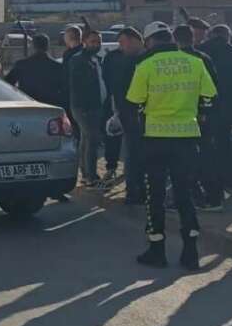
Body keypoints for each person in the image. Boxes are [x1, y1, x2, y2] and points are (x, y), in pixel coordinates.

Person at [127, 21, 216, 269]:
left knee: (154, 195)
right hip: (187, 137)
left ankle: (157, 250)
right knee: (184, 194)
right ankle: (190, 252)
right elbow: (209, 96)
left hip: (154, 138)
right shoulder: (195, 62)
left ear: (149, 41)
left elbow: (134, 101)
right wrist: (198, 113)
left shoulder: (145, 65)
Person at [198, 24, 232, 205]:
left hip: (207, 110)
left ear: (211, 35)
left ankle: (210, 181)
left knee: (206, 146)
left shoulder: (201, 52)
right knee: (231, 143)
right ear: (227, 36)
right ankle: (231, 177)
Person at [175, 25, 221, 210]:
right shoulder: (204, 58)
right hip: (204, 116)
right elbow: (212, 87)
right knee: (206, 157)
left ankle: (200, 197)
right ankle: (211, 196)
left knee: (186, 160)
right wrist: (206, 111)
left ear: (175, 40)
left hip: (185, 116)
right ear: (192, 38)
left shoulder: (177, 61)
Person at [104, 27, 145, 203]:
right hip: (131, 116)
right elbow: (118, 90)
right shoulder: (123, 60)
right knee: (134, 154)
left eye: (123, 42)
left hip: (142, 115)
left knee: (138, 155)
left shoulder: (142, 60)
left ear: (135, 40)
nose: (121, 46)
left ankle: (137, 191)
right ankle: (134, 191)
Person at [69, 30, 107, 188]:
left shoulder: (97, 59)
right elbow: (76, 84)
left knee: (87, 139)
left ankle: (85, 174)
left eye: (98, 42)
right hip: (83, 106)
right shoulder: (78, 60)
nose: (96, 45)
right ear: (84, 42)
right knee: (92, 138)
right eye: (92, 42)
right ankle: (91, 176)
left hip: (97, 105)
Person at [4, 34, 64, 106]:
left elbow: (6, 84)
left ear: (33, 47)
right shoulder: (58, 66)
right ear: (47, 47)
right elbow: (63, 89)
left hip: (28, 105)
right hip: (50, 107)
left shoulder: (21, 64)